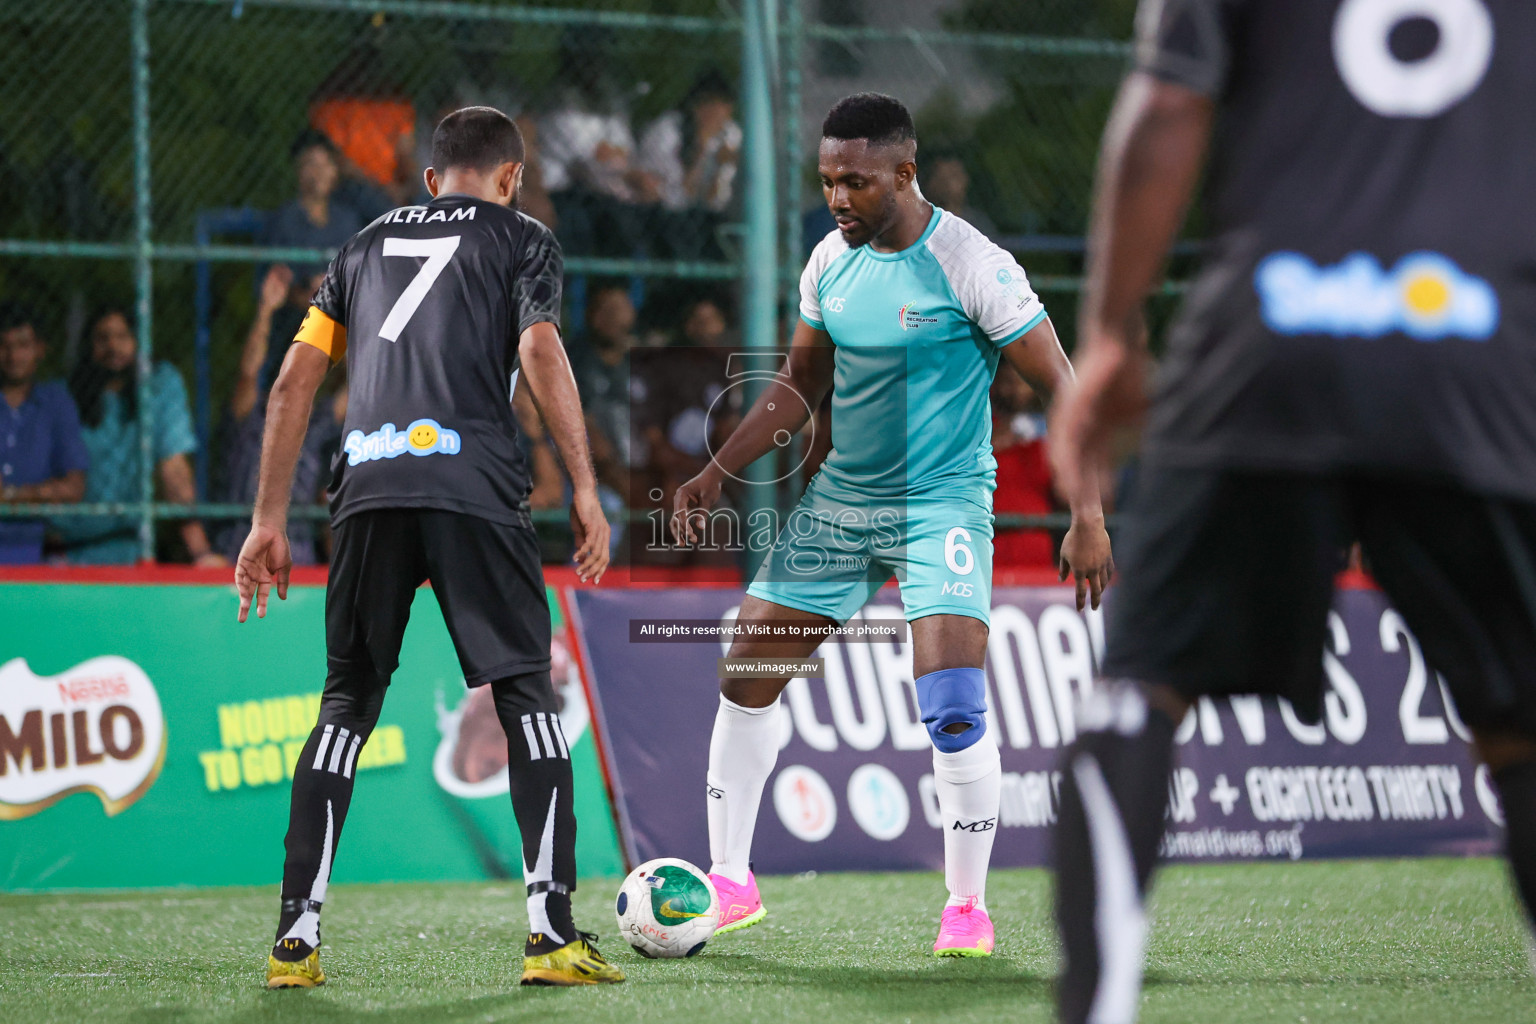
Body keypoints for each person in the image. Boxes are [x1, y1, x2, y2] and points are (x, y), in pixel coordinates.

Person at [1047, 3, 1536, 1021]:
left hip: (1264, 346)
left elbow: (1169, 104)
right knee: (1522, 724)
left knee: (1139, 689)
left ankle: (1097, 1004)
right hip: (1477, 349)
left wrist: (1107, 335)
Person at [672, 93, 1113, 956]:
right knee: (745, 674)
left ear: (904, 174)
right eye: (828, 181)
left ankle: (966, 910)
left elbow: (1069, 388)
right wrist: (713, 473)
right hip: (843, 501)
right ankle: (732, 882)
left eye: (856, 182)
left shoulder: (972, 264)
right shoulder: (829, 264)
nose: (838, 198)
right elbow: (799, 387)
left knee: (951, 707)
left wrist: (1088, 515)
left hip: (943, 500)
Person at [235, 106, 620, 990]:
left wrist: (266, 520)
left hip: (364, 490)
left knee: (345, 707)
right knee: (528, 693)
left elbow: (294, 379)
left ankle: (295, 942)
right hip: (473, 486)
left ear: (429, 179)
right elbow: (538, 347)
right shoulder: (523, 236)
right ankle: (550, 934)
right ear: (511, 176)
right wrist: (589, 486)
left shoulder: (358, 247)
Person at [56, 308, 222, 566]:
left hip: (131, 548)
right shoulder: (65, 395)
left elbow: (173, 468)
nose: (113, 346)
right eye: (102, 338)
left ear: (139, 341)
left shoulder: (159, 384)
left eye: (123, 336)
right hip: (64, 548)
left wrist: (199, 550)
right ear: (88, 347)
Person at [214, 264, 344, 565]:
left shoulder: (319, 418)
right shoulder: (253, 415)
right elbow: (248, 374)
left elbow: (360, 376)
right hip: (241, 541)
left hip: (297, 548)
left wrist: (338, 306)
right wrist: (266, 309)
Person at [0, 306, 88, 563]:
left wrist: (10, 495)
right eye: (4, 346)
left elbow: (73, 488)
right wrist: (42, 492)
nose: (13, 356)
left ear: (40, 349)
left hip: (35, 545)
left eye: (23, 345)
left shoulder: (56, 403)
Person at [260, 132, 369, 257]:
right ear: (298, 170)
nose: (320, 171)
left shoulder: (347, 220)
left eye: (327, 163)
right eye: (312, 164)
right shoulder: (285, 220)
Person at [989, 370, 1055, 568]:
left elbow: (1065, 490)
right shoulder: (979, 431)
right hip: (991, 547)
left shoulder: (1049, 434)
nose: (1016, 390)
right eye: (1009, 382)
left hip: (1035, 548)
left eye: (1024, 382)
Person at [923, 154, 998, 238]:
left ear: (965, 180)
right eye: (940, 178)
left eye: (953, 176)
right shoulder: (918, 223)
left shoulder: (978, 223)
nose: (946, 184)